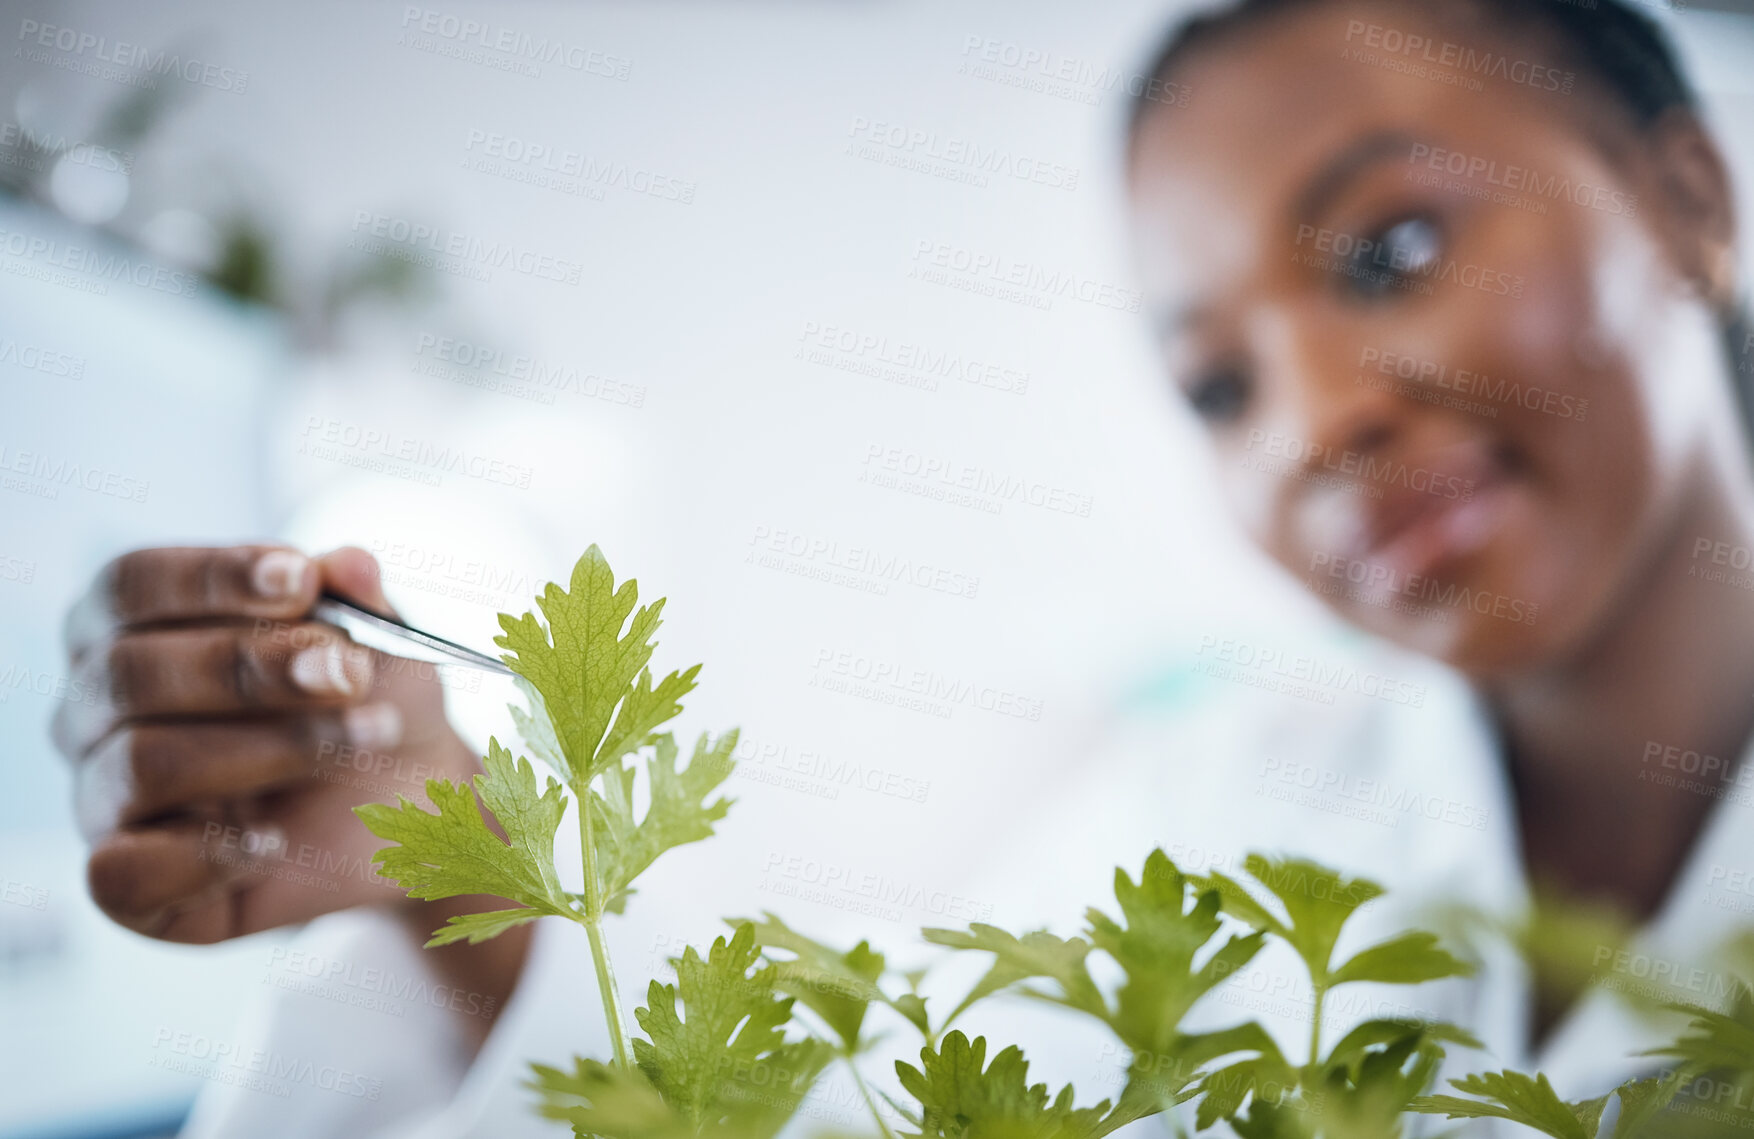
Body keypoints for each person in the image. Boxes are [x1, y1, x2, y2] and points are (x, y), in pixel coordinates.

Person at [50, 0, 1754, 1133]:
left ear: (1689, 199)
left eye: (1389, 249)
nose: (1312, 424)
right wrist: (460, 872)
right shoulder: (1226, 806)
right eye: (1216, 385)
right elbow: (850, 1106)